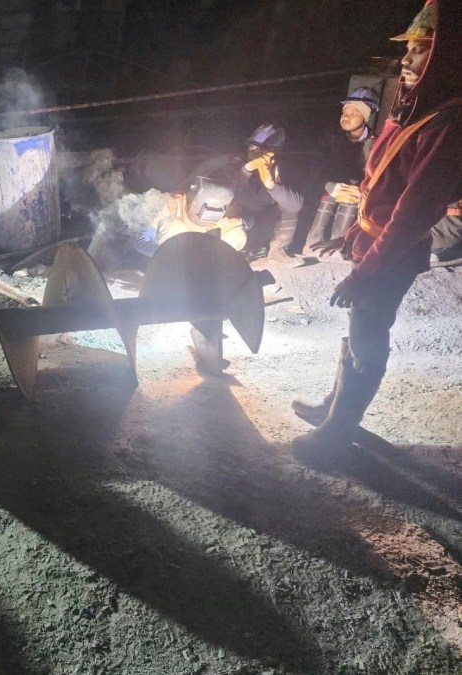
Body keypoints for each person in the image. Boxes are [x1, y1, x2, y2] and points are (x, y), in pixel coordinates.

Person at [293, 0, 462, 453]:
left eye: (420, 51)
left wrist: (363, 270)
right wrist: (350, 234)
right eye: (407, 51)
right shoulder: (413, 110)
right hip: (375, 243)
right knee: (359, 326)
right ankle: (335, 408)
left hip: (393, 253)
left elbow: (412, 212)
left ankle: (337, 433)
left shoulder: (447, 124)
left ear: (445, 58)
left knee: (369, 332)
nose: (405, 60)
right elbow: (380, 185)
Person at [191, 124, 305, 266]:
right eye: (253, 150)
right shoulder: (234, 164)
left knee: (285, 202)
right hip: (229, 228)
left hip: (257, 230)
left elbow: (295, 206)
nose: (257, 155)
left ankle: (277, 251)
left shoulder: (278, 171)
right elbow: (227, 193)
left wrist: (272, 185)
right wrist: (247, 170)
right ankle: (225, 254)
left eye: (263, 152)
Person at [304, 87, 381, 254]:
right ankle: (312, 244)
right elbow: (315, 168)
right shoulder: (330, 139)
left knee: (351, 195)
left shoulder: (376, 145)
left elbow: (377, 176)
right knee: (329, 196)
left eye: (354, 114)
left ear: (366, 118)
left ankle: (339, 244)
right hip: (330, 188)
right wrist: (327, 185)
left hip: (356, 195)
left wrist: (360, 189)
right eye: (345, 112)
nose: (347, 116)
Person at [133, 176, 247, 257]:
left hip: (209, 256)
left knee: (236, 234)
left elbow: (249, 222)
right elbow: (141, 241)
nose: (207, 220)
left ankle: (215, 273)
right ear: (193, 201)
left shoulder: (227, 205)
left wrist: (238, 221)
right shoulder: (173, 203)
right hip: (177, 256)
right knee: (173, 226)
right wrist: (163, 256)